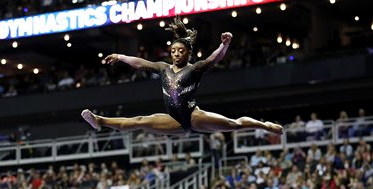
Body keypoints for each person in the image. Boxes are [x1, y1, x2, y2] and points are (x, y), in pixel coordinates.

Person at [81, 17, 283, 136]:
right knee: (140, 120)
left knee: (234, 124)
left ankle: (264, 125)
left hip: (193, 116)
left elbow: (214, 58)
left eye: (180, 51)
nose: (176, 54)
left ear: (188, 53)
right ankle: (99, 120)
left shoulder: (194, 69)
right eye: (173, 50)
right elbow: (140, 63)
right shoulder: (163, 68)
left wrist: (224, 45)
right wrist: (121, 56)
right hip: (173, 120)